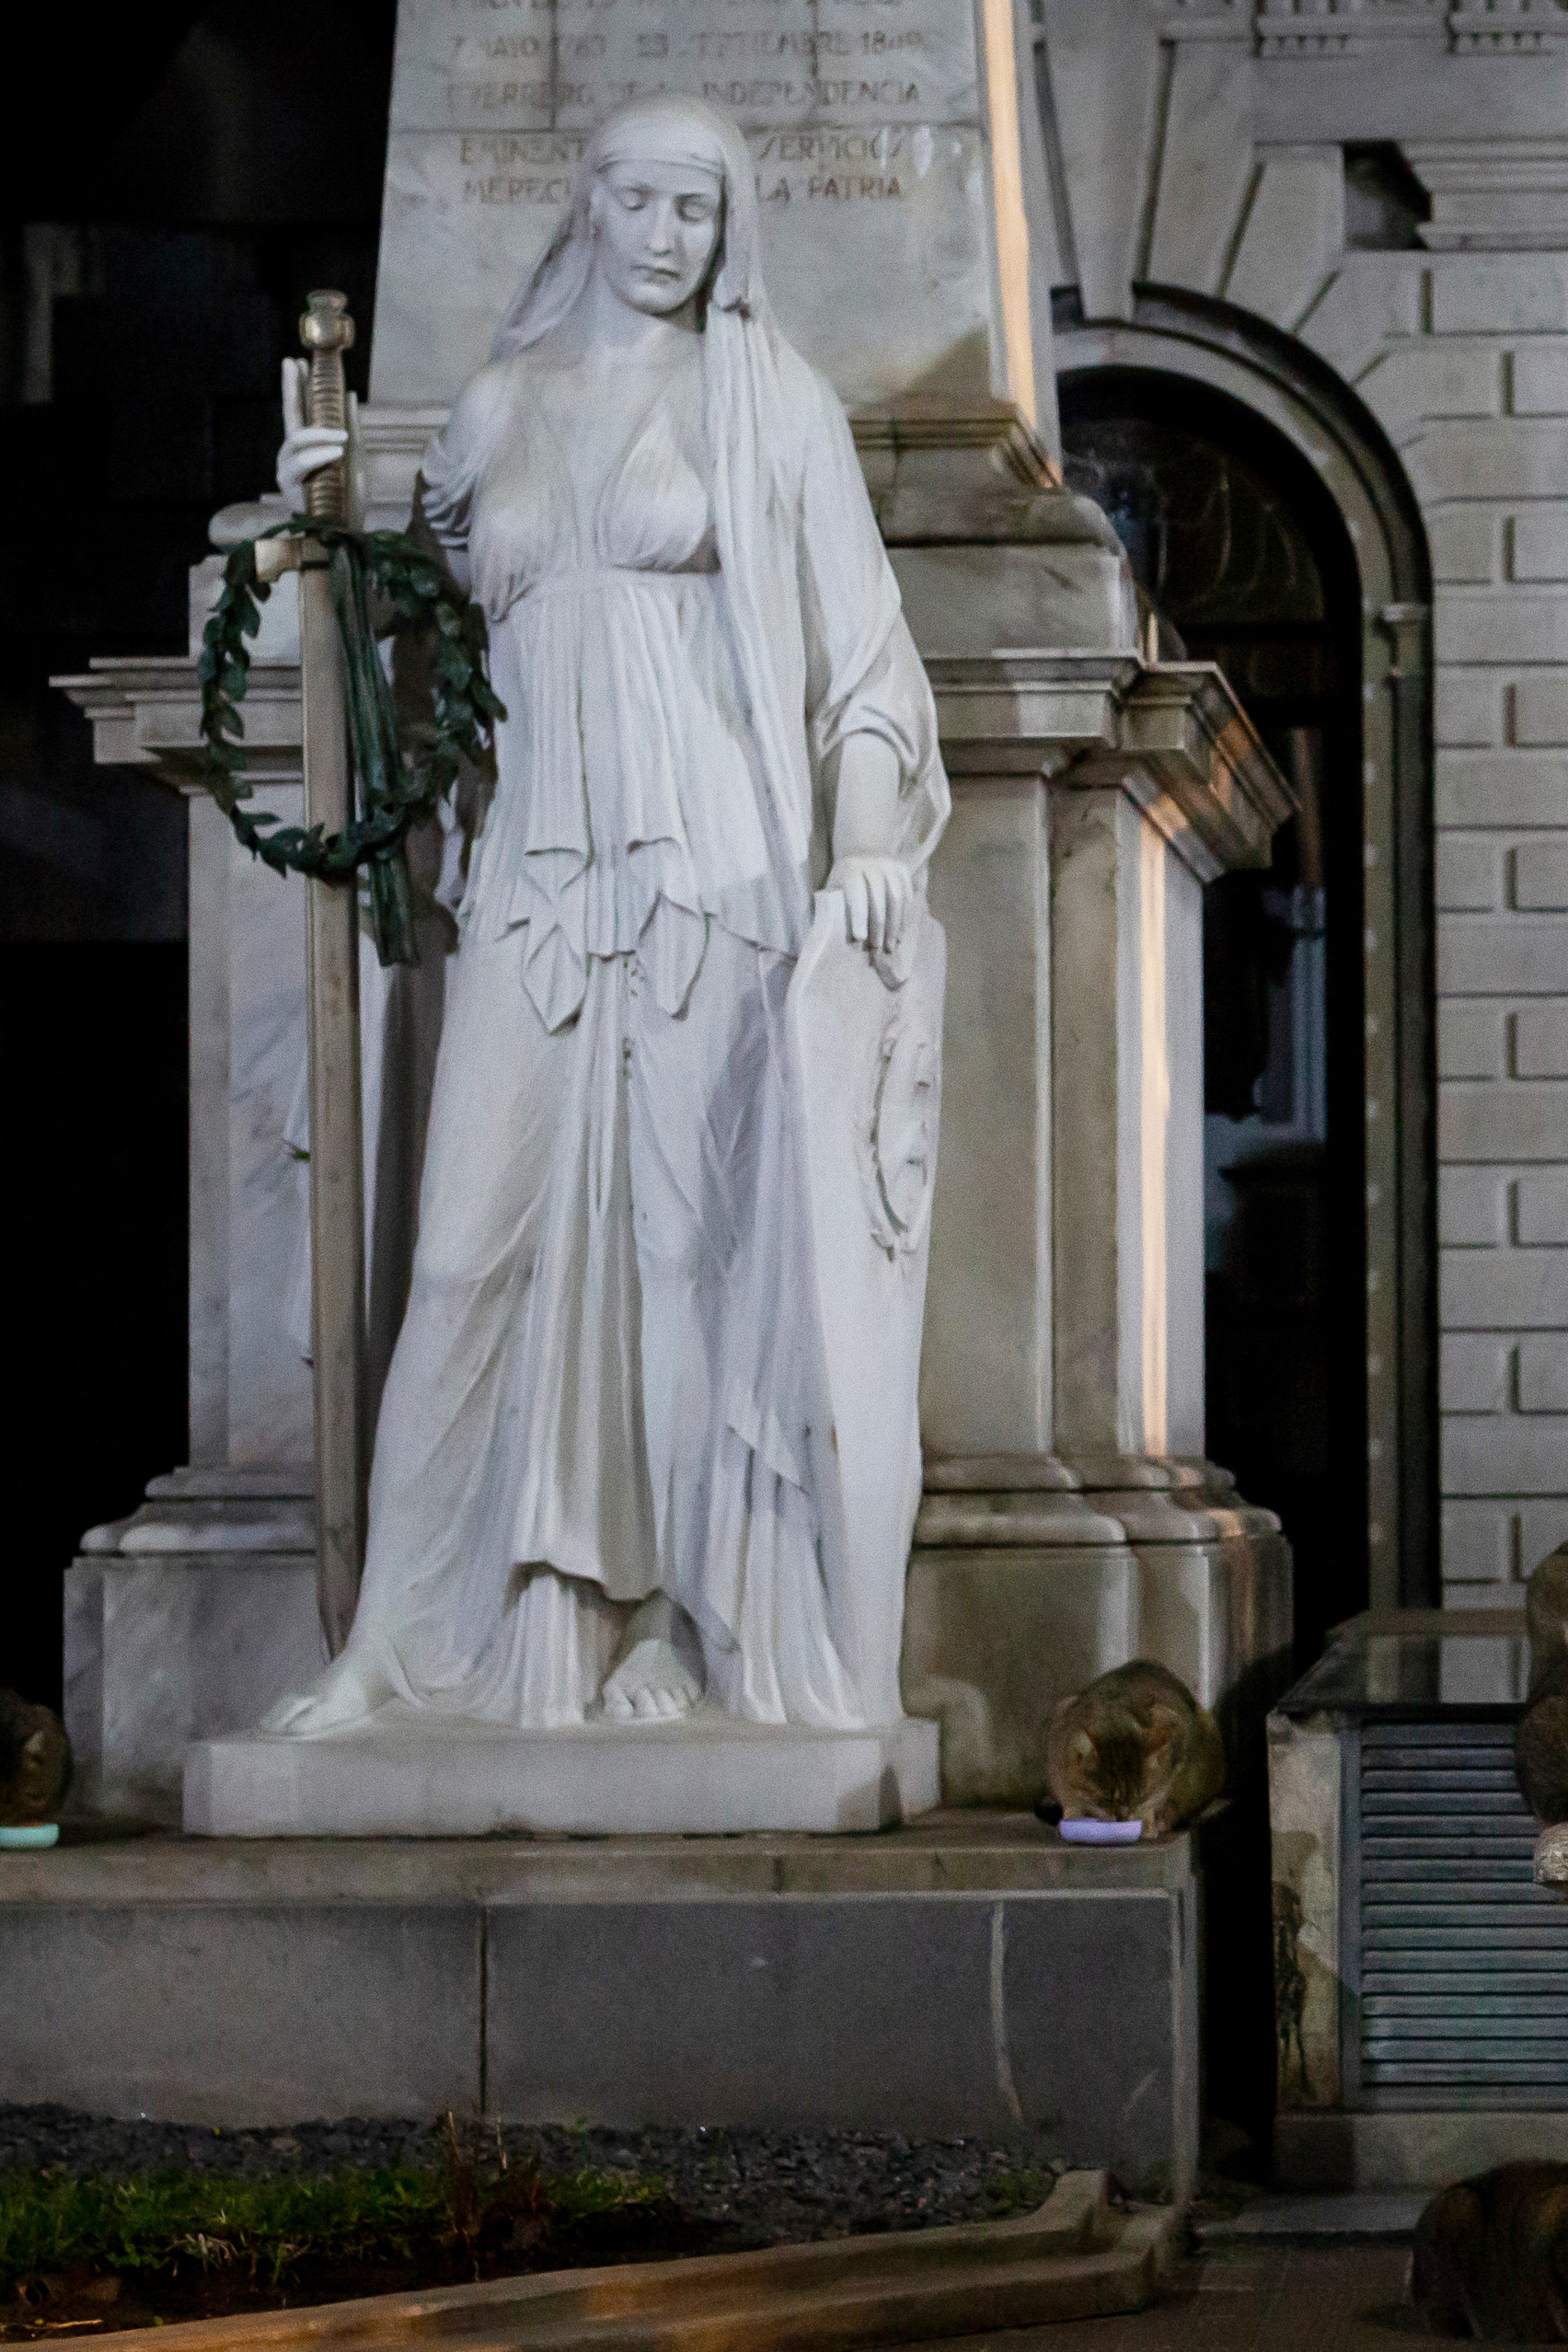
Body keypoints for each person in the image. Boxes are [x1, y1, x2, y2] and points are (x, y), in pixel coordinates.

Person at [259, 94, 943, 1735]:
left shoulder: (771, 404)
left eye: (696, 211)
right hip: (539, 879)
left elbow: (866, 671)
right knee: (464, 1257)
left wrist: (864, 841)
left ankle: (684, 1631)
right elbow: (383, 641)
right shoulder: (497, 408)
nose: (665, 237)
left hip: (714, 875)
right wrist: (311, 515)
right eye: (638, 202)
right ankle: (400, 1643)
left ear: (729, 232)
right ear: (592, 209)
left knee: (686, 1263)